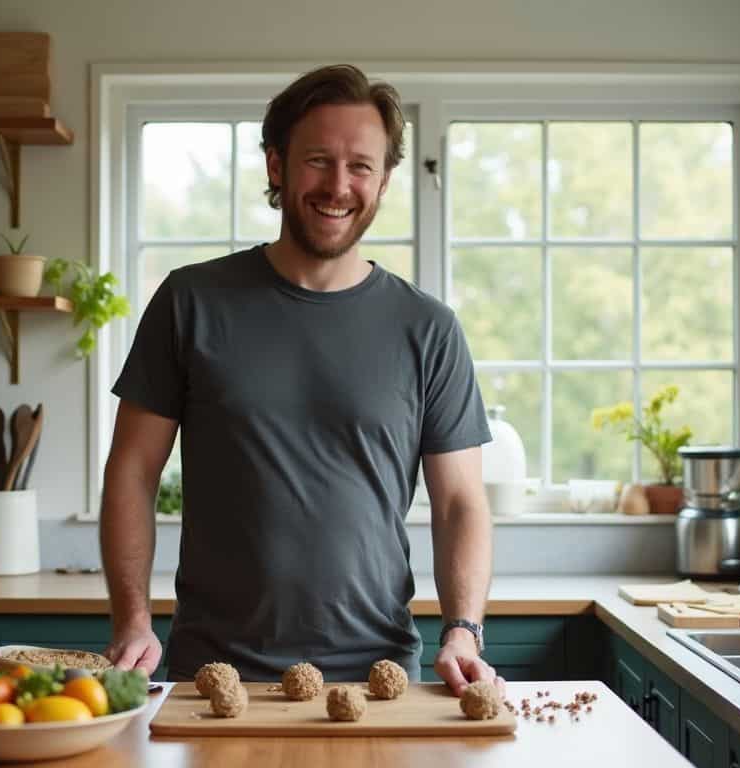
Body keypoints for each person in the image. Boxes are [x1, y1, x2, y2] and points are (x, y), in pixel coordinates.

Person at [101, 63, 505, 697]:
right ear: (276, 165)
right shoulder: (191, 302)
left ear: (385, 179)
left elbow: (459, 502)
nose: (338, 186)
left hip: (379, 680)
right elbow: (131, 471)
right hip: (215, 676)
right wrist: (131, 619)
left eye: (361, 166)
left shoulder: (428, 328)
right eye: (318, 160)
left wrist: (464, 630)